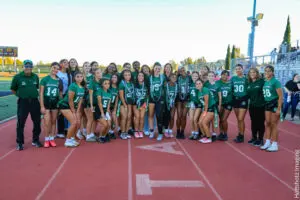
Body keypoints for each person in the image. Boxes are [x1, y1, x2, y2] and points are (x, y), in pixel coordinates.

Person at [11, 60, 42, 150]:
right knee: (21, 123)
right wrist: (19, 95)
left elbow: (36, 88)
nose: (28, 68)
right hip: (23, 102)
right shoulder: (17, 77)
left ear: (32, 67)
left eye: (30, 66)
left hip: (34, 101)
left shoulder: (35, 77)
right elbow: (13, 89)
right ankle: (20, 143)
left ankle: (35, 140)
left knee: (37, 122)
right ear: (23, 67)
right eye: (26, 66)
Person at [58, 72, 85, 147]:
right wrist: (73, 111)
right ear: (75, 78)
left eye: (81, 76)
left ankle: (72, 138)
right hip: (65, 105)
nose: (79, 78)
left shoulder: (82, 88)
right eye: (77, 76)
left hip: (74, 107)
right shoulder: (73, 86)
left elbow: (80, 101)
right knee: (73, 122)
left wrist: (77, 111)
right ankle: (68, 140)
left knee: (78, 123)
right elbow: (70, 100)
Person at [40, 62, 63, 148]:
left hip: (55, 102)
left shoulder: (59, 80)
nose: (55, 70)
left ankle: (51, 138)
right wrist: (42, 106)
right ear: (51, 68)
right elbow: (41, 93)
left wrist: (60, 105)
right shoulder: (44, 79)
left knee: (53, 121)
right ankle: (46, 139)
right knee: (47, 122)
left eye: (57, 69)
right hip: (46, 102)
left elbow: (60, 94)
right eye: (54, 67)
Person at [261, 65, 283, 152]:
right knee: (268, 123)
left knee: (274, 124)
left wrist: (279, 108)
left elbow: (280, 96)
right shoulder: (266, 81)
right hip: (267, 104)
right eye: (265, 71)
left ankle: (274, 144)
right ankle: (267, 142)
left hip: (274, 104)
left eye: (269, 71)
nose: (267, 72)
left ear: (272, 72)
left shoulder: (276, 82)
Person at [247, 67, 265, 146]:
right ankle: (254, 137)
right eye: (251, 73)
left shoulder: (261, 82)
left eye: (254, 72)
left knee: (260, 123)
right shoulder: (249, 83)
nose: (252, 74)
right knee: (253, 122)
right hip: (252, 106)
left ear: (257, 73)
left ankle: (260, 139)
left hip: (261, 106)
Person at [148, 62, 166, 140]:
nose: (157, 70)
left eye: (159, 68)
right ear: (153, 68)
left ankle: (160, 133)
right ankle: (151, 132)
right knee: (151, 115)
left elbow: (165, 87)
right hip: (152, 98)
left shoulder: (163, 77)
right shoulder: (149, 77)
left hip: (160, 99)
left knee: (159, 116)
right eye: (156, 68)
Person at [231, 64, 248, 143]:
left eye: (239, 69)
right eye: (237, 69)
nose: (238, 70)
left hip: (243, 99)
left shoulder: (246, 78)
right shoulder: (233, 78)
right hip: (235, 99)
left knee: (241, 118)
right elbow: (230, 88)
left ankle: (242, 135)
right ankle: (240, 134)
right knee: (238, 119)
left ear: (242, 69)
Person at [197, 79, 216, 144]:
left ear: (202, 84)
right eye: (197, 84)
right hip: (205, 109)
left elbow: (206, 102)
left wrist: (205, 112)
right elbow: (202, 103)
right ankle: (205, 136)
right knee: (199, 123)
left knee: (204, 123)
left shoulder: (204, 89)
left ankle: (209, 138)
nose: (198, 85)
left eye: (200, 83)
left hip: (210, 109)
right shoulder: (199, 92)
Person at [56, 59, 71, 138]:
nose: (66, 64)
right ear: (60, 64)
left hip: (66, 95)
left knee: (66, 113)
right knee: (60, 113)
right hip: (58, 95)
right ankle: (60, 131)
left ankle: (66, 129)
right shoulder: (57, 73)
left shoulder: (69, 75)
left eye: (67, 62)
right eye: (64, 62)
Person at [217, 70, 233, 141]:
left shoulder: (230, 83)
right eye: (223, 74)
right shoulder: (217, 83)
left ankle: (225, 134)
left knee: (224, 119)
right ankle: (221, 133)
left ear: (228, 76)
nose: (225, 76)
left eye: (226, 75)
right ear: (221, 75)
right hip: (220, 103)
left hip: (228, 103)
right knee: (220, 119)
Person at [176, 66, 191, 139]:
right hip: (179, 99)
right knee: (179, 116)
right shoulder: (177, 78)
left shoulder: (189, 78)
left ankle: (182, 132)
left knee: (184, 116)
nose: (182, 71)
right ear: (179, 71)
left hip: (187, 99)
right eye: (181, 70)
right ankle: (178, 131)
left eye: (183, 70)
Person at [119, 69, 134, 139]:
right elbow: (121, 96)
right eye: (125, 75)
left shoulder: (132, 83)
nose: (127, 76)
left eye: (129, 75)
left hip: (130, 103)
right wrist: (125, 105)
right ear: (123, 76)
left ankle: (126, 132)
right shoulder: (121, 83)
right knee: (124, 118)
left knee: (129, 118)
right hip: (123, 103)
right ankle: (122, 133)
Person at [133, 72, 148, 138]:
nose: (140, 77)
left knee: (142, 117)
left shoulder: (146, 85)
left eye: (142, 76)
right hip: (135, 103)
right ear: (137, 77)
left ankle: (141, 131)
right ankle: (136, 131)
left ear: (144, 77)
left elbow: (147, 95)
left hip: (143, 103)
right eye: (139, 75)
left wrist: (145, 102)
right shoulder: (134, 84)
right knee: (137, 117)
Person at [188, 72, 201, 140]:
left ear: (198, 77)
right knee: (191, 119)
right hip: (191, 103)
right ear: (191, 77)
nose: (195, 77)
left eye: (196, 76)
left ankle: (196, 133)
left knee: (195, 119)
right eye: (193, 76)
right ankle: (193, 132)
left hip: (198, 104)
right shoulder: (190, 84)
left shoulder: (199, 84)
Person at [164, 73, 177, 138]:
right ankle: (166, 130)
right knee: (167, 117)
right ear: (169, 78)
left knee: (172, 117)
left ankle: (170, 130)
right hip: (166, 103)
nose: (174, 78)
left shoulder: (176, 85)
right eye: (172, 77)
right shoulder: (166, 85)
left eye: (175, 77)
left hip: (173, 103)